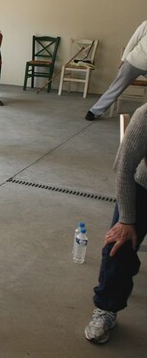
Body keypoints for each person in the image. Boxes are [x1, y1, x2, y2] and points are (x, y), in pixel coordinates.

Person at [84, 102, 146, 344]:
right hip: (142, 187)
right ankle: (107, 308)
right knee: (118, 244)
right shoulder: (145, 116)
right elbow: (124, 169)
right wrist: (127, 220)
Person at [85, 20, 147, 121]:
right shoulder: (145, 25)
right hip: (133, 62)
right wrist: (123, 60)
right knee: (116, 87)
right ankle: (94, 111)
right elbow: (132, 42)